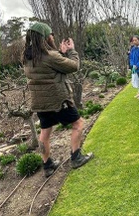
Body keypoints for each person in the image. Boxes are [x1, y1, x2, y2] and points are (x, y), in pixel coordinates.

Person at [22, 22, 93, 177]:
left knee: (45, 132)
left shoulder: (27, 57)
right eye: (51, 34)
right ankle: (76, 157)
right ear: (46, 37)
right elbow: (73, 66)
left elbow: (50, 68)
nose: (52, 36)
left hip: (40, 103)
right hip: (58, 101)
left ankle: (47, 165)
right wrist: (71, 51)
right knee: (78, 124)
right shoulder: (50, 56)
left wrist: (61, 53)